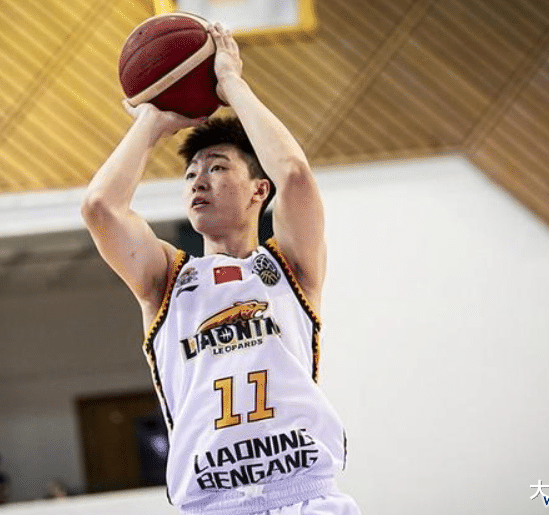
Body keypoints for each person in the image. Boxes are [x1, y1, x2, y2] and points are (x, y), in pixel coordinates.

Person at [82, 22, 360, 515]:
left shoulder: (290, 267)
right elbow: (100, 208)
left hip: (304, 496)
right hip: (214, 505)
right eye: (190, 174)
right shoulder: (166, 281)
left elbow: (295, 175)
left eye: (216, 167)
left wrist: (231, 82)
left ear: (259, 190)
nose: (197, 181)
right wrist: (151, 120)